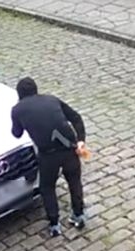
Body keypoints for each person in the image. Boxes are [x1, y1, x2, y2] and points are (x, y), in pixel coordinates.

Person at [11, 77, 87, 237]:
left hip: (48, 155)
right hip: (68, 148)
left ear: (19, 94)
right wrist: (80, 141)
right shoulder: (52, 100)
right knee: (74, 180)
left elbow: (16, 133)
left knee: (47, 187)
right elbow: (76, 118)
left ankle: (54, 224)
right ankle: (78, 215)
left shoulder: (17, 110)